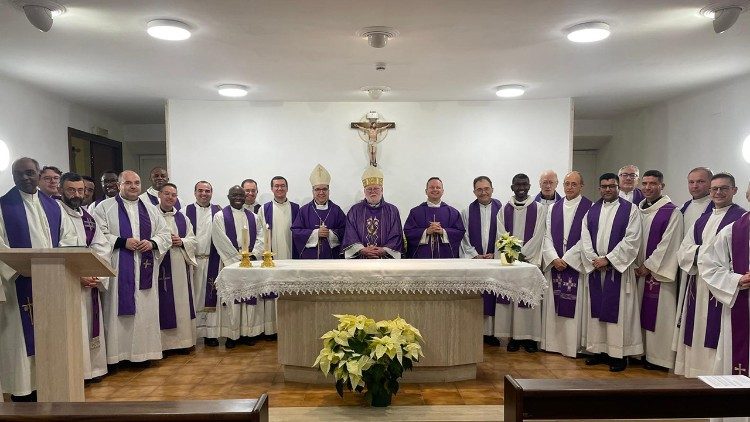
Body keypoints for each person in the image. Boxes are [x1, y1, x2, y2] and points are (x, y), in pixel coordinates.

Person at [0, 157, 76, 401]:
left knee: (50, 340)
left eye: (30, 173)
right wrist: (19, 268)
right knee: (20, 343)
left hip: (50, 284)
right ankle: (23, 394)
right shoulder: (3, 207)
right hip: (17, 284)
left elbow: (68, 239)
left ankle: (51, 387)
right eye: (18, 173)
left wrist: (57, 266)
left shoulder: (54, 206)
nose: (25, 177)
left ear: (39, 174)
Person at [92, 170, 172, 365]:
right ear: (119, 185)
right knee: (117, 309)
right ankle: (117, 356)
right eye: (128, 183)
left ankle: (143, 354)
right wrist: (121, 241)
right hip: (119, 265)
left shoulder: (151, 208)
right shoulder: (105, 207)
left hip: (145, 267)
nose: (133, 186)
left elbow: (165, 234)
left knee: (145, 310)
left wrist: (152, 243)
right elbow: (97, 235)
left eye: (136, 182)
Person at [676, 172, 745, 377]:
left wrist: (705, 255)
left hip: (722, 286)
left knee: (716, 330)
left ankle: (714, 373)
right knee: (697, 327)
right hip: (698, 283)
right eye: (714, 189)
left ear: (734, 190)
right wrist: (704, 254)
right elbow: (683, 251)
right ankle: (694, 371)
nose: (718, 192)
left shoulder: (741, 219)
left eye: (724, 188)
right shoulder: (702, 219)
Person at [581, 173, 643, 372]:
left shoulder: (630, 210)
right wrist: (595, 260)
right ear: (599, 188)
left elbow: (632, 240)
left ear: (618, 187)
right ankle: (599, 351)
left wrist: (608, 260)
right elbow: (584, 239)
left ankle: (617, 355)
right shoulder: (592, 210)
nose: (607, 189)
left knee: (618, 314)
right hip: (596, 270)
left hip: (617, 271)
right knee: (597, 312)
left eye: (611, 186)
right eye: (604, 186)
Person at [58, 172, 112, 381]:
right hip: (68, 281)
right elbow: (56, 248)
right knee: (73, 327)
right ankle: (75, 372)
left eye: (81, 190)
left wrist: (95, 273)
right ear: (62, 190)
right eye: (71, 189)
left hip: (89, 281)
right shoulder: (55, 213)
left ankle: (91, 370)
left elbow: (101, 246)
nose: (77, 194)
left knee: (88, 325)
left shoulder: (87, 217)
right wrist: (77, 274)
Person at [634, 170, 683, 370]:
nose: (648, 187)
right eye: (644, 183)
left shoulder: (672, 212)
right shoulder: (637, 210)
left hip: (658, 275)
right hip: (637, 272)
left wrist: (649, 266)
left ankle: (659, 359)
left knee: (660, 317)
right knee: (637, 312)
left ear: (662, 186)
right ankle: (639, 353)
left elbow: (669, 244)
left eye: (653, 184)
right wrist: (636, 265)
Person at [541, 171, 592, 358]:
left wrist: (568, 258)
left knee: (574, 306)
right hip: (555, 263)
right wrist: (554, 258)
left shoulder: (590, 207)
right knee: (554, 304)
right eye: (567, 184)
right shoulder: (554, 208)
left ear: (581, 186)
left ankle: (572, 345)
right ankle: (552, 343)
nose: (569, 187)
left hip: (574, 266)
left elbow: (587, 239)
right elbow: (546, 236)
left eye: (574, 184)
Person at [699, 194, 750, 377]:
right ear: (748, 196)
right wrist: (737, 280)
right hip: (744, 303)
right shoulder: (733, 231)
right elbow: (708, 264)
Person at [495, 173, 545, 352]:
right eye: (517, 184)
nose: (521, 187)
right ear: (512, 187)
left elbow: (539, 234)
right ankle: (513, 338)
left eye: (524, 184)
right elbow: (501, 233)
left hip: (529, 263)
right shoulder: (503, 209)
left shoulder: (539, 209)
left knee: (527, 300)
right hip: (510, 262)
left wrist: (523, 254)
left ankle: (530, 338)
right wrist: (513, 254)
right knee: (511, 298)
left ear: (530, 186)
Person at [211, 186, 265, 348]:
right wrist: (237, 260)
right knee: (232, 300)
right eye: (234, 195)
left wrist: (253, 254)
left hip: (249, 265)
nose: (238, 198)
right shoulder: (220, 216)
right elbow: (219, 239)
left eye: (241, 195)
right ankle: (232, 335)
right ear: (228, 196)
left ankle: (248, 333)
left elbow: (262, 237)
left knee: (249, 298)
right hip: (230, 265)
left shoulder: (254, 217)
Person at [460, 176, 502, 346]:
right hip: (476, 261)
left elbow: (506, 234)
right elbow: (464, 237)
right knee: (478, 296)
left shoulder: (503, 210)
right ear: (474, 191)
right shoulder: (467, 212)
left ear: (492, 189)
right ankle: (476, 331)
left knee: (494, 294)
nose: (483, 192)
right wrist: (475, 255)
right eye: (479, 189)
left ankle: (492, 333)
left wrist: (496, 253)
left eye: (486, 188)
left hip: (495, 261)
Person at [157, 183, 197, 353]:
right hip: (161, 265)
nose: (170, 197)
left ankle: (184, 342)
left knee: (181, 302)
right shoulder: (152, 215)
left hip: (180, 265)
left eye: (173, 194)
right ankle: (164, 345)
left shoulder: (183, 218)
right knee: (162, 303)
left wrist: (181, 241)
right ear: (159, 195)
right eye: (167, 194)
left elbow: (193, 240)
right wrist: (163, 241)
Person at [185, 181, 222, 347]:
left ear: (212, 193)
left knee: (211, 297)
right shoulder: (186, 212)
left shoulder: (219, 212)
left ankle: (210, 334)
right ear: (194, 193)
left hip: (213, 260)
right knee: (192, 297)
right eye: (200, 191)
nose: (204, 194)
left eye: (207, 191)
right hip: (192, 261)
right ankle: (191, 334)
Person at [342, 166, 403, 259]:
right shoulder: (354, 211)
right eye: (369, 189)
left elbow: (396, 235)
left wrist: (384, 250)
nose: (372, 192)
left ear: (382, 190)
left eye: (376, 188)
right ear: (364, 191)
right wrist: (362, 250)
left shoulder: (392, 211)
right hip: (360, 261)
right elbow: (350, 234)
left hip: (385, 261)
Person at [291, 164, 346, 259]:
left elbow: (346, 230)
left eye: (324, 189)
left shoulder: (336, 210)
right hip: (309, 259)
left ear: (329, 191)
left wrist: (330, 234)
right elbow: (296, 232)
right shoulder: (304, 210)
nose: (321, 192)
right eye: (317, 189)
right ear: (313, 191)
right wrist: (316, 233)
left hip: (332, 258)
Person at [404, 177, 465, 259]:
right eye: (432, 187)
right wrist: (426, 232)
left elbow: (460, 232)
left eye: (438, 187)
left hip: (446, 259)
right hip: (422, 259)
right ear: (426, 191)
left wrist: (443, 231)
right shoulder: (415, 212)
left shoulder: (453, 212)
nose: (435, 189)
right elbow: (408, 232)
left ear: (442, 191)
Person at [258, 176, 299, 259]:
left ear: (287, 188)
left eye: (283, 186)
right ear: (272, 189)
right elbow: (260, 234)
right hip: (271, 256)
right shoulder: (264, 209)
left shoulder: (296, 208)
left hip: (292, 254)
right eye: (276, 186)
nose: (280, 188)